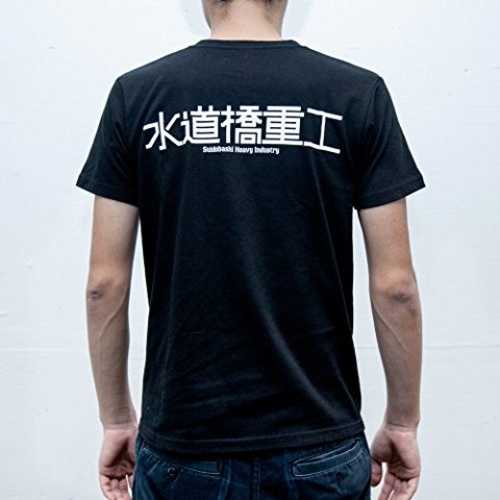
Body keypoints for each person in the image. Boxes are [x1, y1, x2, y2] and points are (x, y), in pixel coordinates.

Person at [75, 0, 425, 498]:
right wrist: (403, 422)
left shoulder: (139, 96)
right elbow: (396, 287)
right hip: (318, 442)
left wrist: (115, 419)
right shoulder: (355, 94)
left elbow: (103, 285)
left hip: (184, 444)